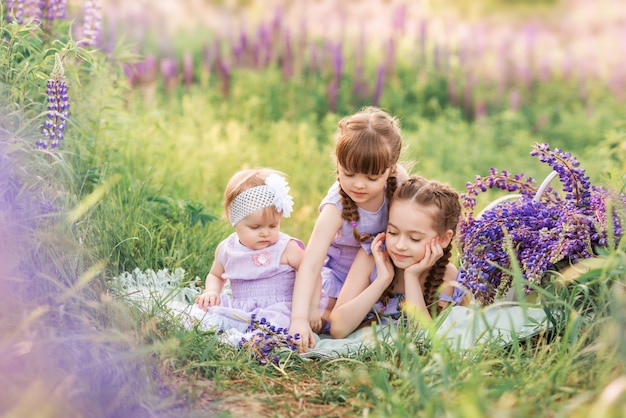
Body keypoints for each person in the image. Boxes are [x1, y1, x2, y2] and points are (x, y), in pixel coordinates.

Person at [290, 106, 409, 351]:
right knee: (322, 319)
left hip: (382, 267)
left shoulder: (399, 182)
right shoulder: (337, 207)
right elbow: (311, 263)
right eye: (349, 173)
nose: (359, 185)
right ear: (338, 164)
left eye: (372, 178)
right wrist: (299, 319)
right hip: (340, 277)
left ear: (391, 168)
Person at [329, 176, 462, 339]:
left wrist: (412, 277)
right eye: (393, 232)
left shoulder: (446, 275)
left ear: (443, 239)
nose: (399, 245)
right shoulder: (371, 257)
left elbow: (423, 337)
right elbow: (337, 328)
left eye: (414, 238)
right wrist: (382, 281)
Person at [183, 168, 305, 333]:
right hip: (242, 309)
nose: (265, 232)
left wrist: (309, 307)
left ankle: (255, 339)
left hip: (280, 309)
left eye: (273, 225)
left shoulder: (286, 248)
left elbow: (310, 271)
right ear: (235, 222)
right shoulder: (227, 249)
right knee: (206, 313)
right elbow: (215, 275)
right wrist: (212, 291)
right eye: (255, 227)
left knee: (275, 326)